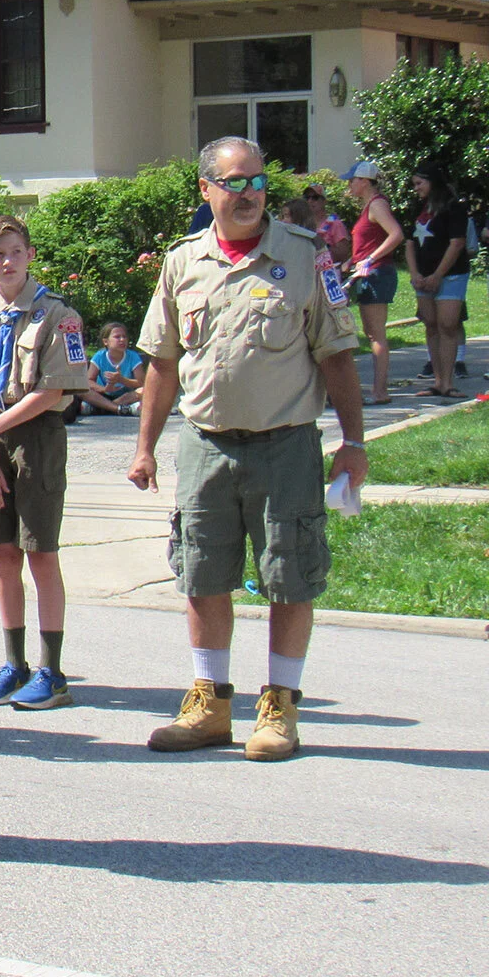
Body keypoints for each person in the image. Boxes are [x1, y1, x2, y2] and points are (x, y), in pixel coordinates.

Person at [130, 137, 366, 761]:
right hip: (205, 445)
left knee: (289, 576)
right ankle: (210, 705)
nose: (248, 193)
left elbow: (337, 355)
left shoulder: (306, 256)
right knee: (201, 574)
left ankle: (281, 706)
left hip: (285, 445)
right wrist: (144, 447)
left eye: (257, 181)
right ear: (206, 189)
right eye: (233, 182)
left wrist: (353, 443)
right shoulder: (183, 262)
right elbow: (162, 362)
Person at [0, 216, 92, 711]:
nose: (7, 262)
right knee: (4, 555)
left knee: (40, 553)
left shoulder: (58, 315)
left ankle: (52, 671)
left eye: (15, 252)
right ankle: (14, 663)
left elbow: (54, 390)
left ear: (30, 255)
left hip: (35, 437)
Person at [405, 162, 470, 400]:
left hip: (452, 274)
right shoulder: (417, 207)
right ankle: (438, 381)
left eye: (419, 183)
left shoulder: (454, 207)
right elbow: (409, 242)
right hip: (423, 276)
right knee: (431, 325)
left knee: (447, 325)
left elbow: (457, 243)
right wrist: (415, 273)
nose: (416, 188)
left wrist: (438, 275)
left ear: (432, 181)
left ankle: (448, 384)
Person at [344, 160, 405, 405]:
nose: (349, 185)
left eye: (352, 180)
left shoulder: (377, 205)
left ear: (364, 181)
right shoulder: (369, 206)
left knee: (376, 334)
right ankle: (378, 391)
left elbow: (396, 234)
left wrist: (369, 259)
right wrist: (351, 261)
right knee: (372, 333)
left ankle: (380, 392)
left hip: (377, 274)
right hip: (368, 273)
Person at [79, 322, 147, 416]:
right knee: (82, 391)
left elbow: (141, 382)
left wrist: (121, 380)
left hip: (125, 396)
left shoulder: (133, 356)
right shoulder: (99, 356)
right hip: (103, 395)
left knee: (144, 390)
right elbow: (89, 381)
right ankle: (120, 409)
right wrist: (104, 389)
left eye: (124, 337)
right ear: (106, 342)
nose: (122, 340)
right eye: (117, 337)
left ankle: (103, 408)